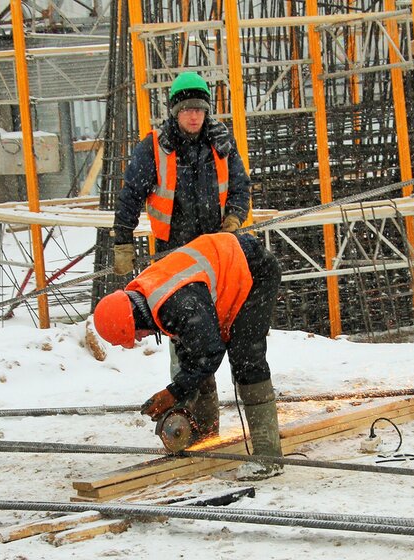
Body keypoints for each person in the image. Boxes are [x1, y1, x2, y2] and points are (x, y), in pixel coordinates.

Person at [111, 71, 253, 441]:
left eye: (200, 109)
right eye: (187, 109)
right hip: (173, 260)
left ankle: (216, 416)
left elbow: (240, 186)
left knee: (217, 334)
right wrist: (123, 241)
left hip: (216, 257)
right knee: (187, 338)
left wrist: (234, 218)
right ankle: (196, 423)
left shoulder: (221, 144)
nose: (194, 116)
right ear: (175, 111)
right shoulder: (154, 148)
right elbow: (130, 196)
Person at [93, 232, 283, 480]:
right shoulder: (151, 297)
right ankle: (206, 437)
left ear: (132, 322)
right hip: (230, 266)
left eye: (135, 335)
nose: (140, 339)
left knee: (246, 357)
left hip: (254, 271)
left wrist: (174, 392)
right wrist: (179, 392)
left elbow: (209, 352)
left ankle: (269, 456)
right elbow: (191, 346)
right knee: (194, 358)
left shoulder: (177, 302)